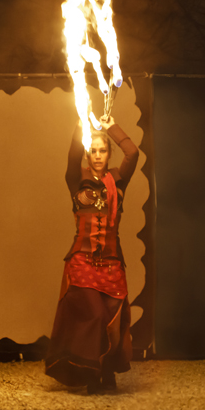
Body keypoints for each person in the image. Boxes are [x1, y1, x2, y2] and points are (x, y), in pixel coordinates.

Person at [44, 115, 139, 393]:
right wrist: (79, 125)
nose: (98, 156)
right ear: (88, 153)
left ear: (109, 153)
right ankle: (92, 375)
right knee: (95, 315)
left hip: (112, 263)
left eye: (103, 150)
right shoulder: (77, 179)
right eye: (93, 150)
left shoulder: (118, 181)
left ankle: (107, 371)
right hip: (82, 260)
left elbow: (133, 153)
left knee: (113, 319)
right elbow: (73, 157)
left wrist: (111, 127)